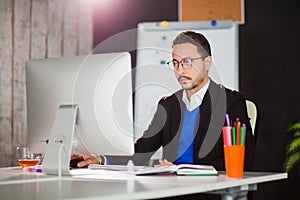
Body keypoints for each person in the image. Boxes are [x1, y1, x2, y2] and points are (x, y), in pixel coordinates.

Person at [72, 31, 255, 171]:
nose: (181, 70)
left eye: (187, 62)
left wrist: (191, 172)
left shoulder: (231, 102)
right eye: (175, 63)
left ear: (207, 63)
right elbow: (141, 153)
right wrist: (101, 159)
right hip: (173, 189)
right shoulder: (168, 106)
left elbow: (245, 160)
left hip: (211, 191)